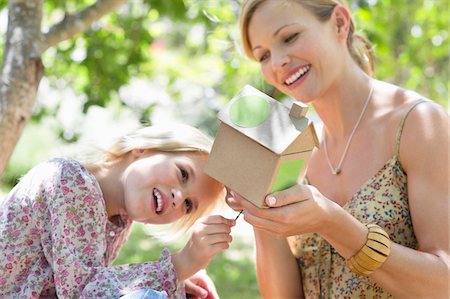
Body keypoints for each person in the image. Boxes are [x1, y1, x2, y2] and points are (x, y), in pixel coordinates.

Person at [226, 0, 450, 298]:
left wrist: (331, 221)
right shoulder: (295, 151)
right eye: (263, 55)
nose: (277, 61)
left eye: (289, 37)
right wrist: (259, 211)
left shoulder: (418, 123)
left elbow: (443, 284)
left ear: (340, 23)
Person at [0, 123, 235, 299]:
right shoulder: (69, 180)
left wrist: (176, 283)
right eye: (183, 174)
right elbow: (81, 291)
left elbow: (100, 283)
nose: (178, 197)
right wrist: (178, 266)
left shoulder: (118, 218)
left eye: (188, 206)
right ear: (144, 149)